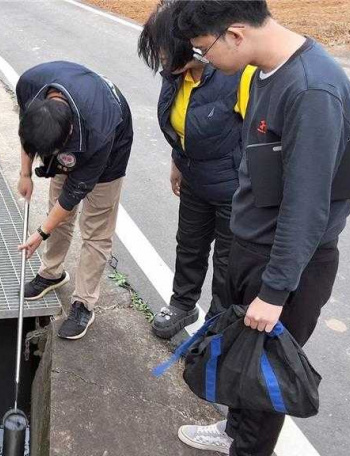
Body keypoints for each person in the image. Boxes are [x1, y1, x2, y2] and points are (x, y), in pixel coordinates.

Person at [171, 1, 350, 455]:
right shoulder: (261, 74)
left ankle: (246, 446)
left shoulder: (313, 90)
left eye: (202, 50)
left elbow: (308, 205)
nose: (202, 61)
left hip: (287, 260)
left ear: (234, 34)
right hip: (252, 246)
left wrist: (275, 292)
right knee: (242, 358)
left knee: (264, 376)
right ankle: (233, 433)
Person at [138, 0, 255, 339]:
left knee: (227, 264)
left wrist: (250, 193)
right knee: (188, 246)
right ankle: (182, 303)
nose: (160, 59)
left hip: (235, 189)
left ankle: (217, 326)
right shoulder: (176, 74)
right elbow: (180, 123)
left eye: (162, 50)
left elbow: (256, 140)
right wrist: (177, 160)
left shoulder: (238, 74)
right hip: (194, 178)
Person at [15, 61, 133, 340]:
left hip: (110, 149)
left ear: (68, 133)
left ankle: (84, 302)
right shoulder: (30, 85)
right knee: (57, 210)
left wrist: (40, 233)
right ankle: (52, 273)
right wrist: (25, 173)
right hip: (72, 131)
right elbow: (27, 134)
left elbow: (73, 194)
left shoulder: (99, 128)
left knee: (95, 229)